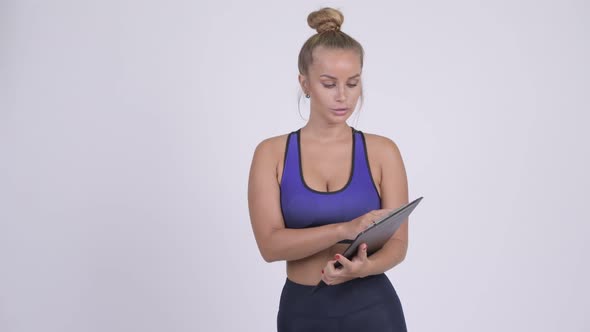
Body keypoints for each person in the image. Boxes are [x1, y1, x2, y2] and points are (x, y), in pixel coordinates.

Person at [247, 7, 409, 332]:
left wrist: (363, 268)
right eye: (328, 83)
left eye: (352, 83)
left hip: (373, 307)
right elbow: (270, 246)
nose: (342, 96)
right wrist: (342, 230)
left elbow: (398, 243)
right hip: (303, 312)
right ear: (305, 83)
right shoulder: (271, 154)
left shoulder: (383, 152)